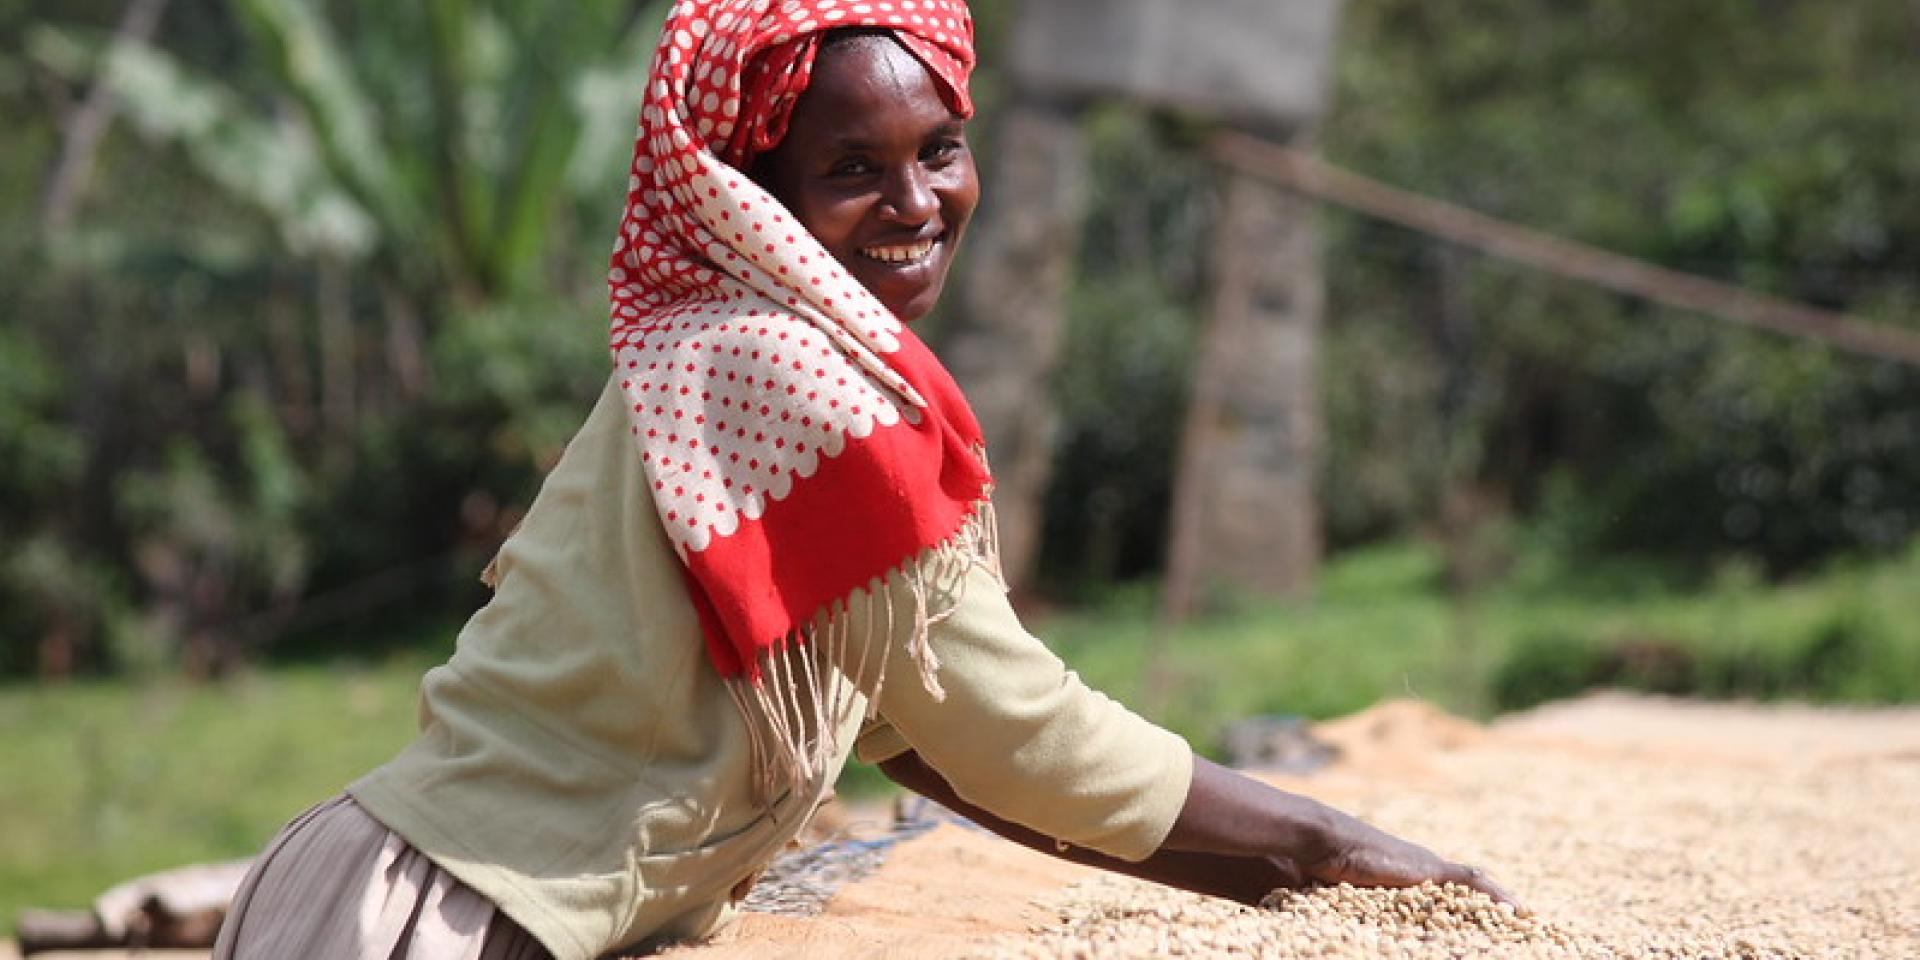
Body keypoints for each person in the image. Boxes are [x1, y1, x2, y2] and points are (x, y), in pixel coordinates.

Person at [212, 3, 1518, 958]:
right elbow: (1001, 728)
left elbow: (925, 744)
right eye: (850, 169)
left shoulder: (734, 348)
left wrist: (1266, 894)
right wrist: (1325, 844)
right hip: (440, 921)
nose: (915, 200)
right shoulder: (785, 376)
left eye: (940, 148)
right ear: (753, 194)